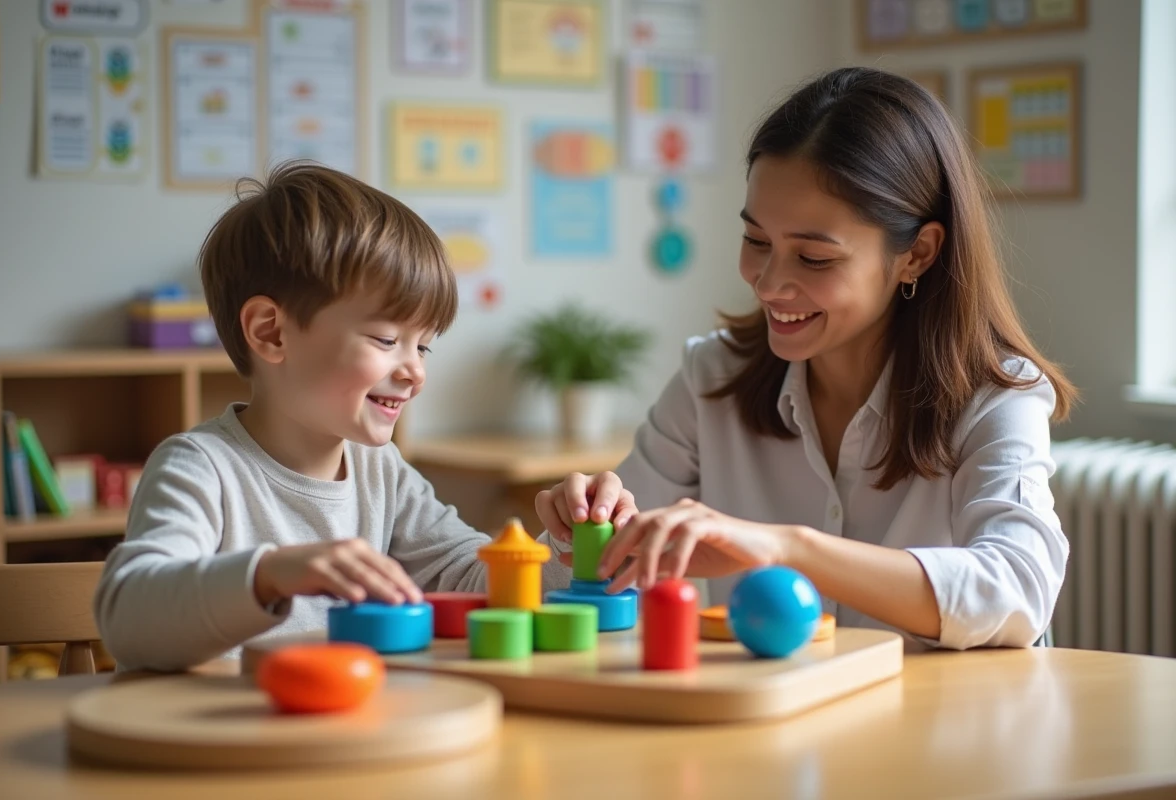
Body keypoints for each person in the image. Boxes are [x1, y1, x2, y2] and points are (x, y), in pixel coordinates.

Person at [537, 67, 1076, 650]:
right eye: (757, 241)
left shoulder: (996, 397)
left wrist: (785, 548)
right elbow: (576, 580)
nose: (769, 283)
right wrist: (583, 530)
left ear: (917, 254)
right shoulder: (711, 378)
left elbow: (1019, 591)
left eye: (814, 258)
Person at [95, 162, 569, 671]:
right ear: (271, 332)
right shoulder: (199, 468)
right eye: (386, 340)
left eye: (423, 347)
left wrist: (573, 545)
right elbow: (128, 618)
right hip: (219, 724)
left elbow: (475, 584)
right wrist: (269, 576)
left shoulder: (381, 471)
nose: (415, 372)